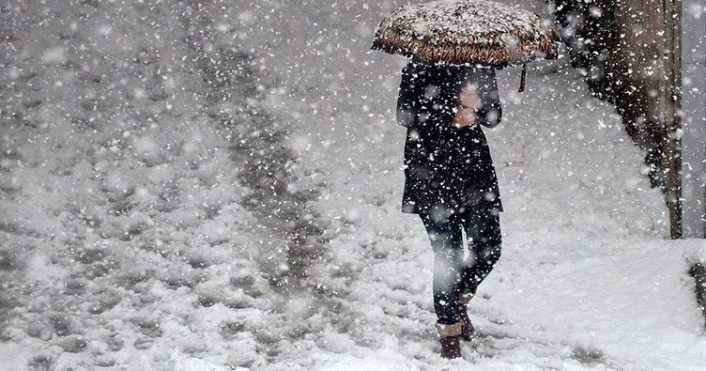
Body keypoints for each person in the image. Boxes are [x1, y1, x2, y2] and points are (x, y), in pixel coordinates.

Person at [396, 59, 503, 359]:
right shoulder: (418, 67)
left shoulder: (480, 66)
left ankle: (456, 302)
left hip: (475, 174)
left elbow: (494, 117)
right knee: (449, 256)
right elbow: (405, 116)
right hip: (430, 173)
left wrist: (478, 107)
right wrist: (451, 112)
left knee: (489, 247)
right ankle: (449, 330)